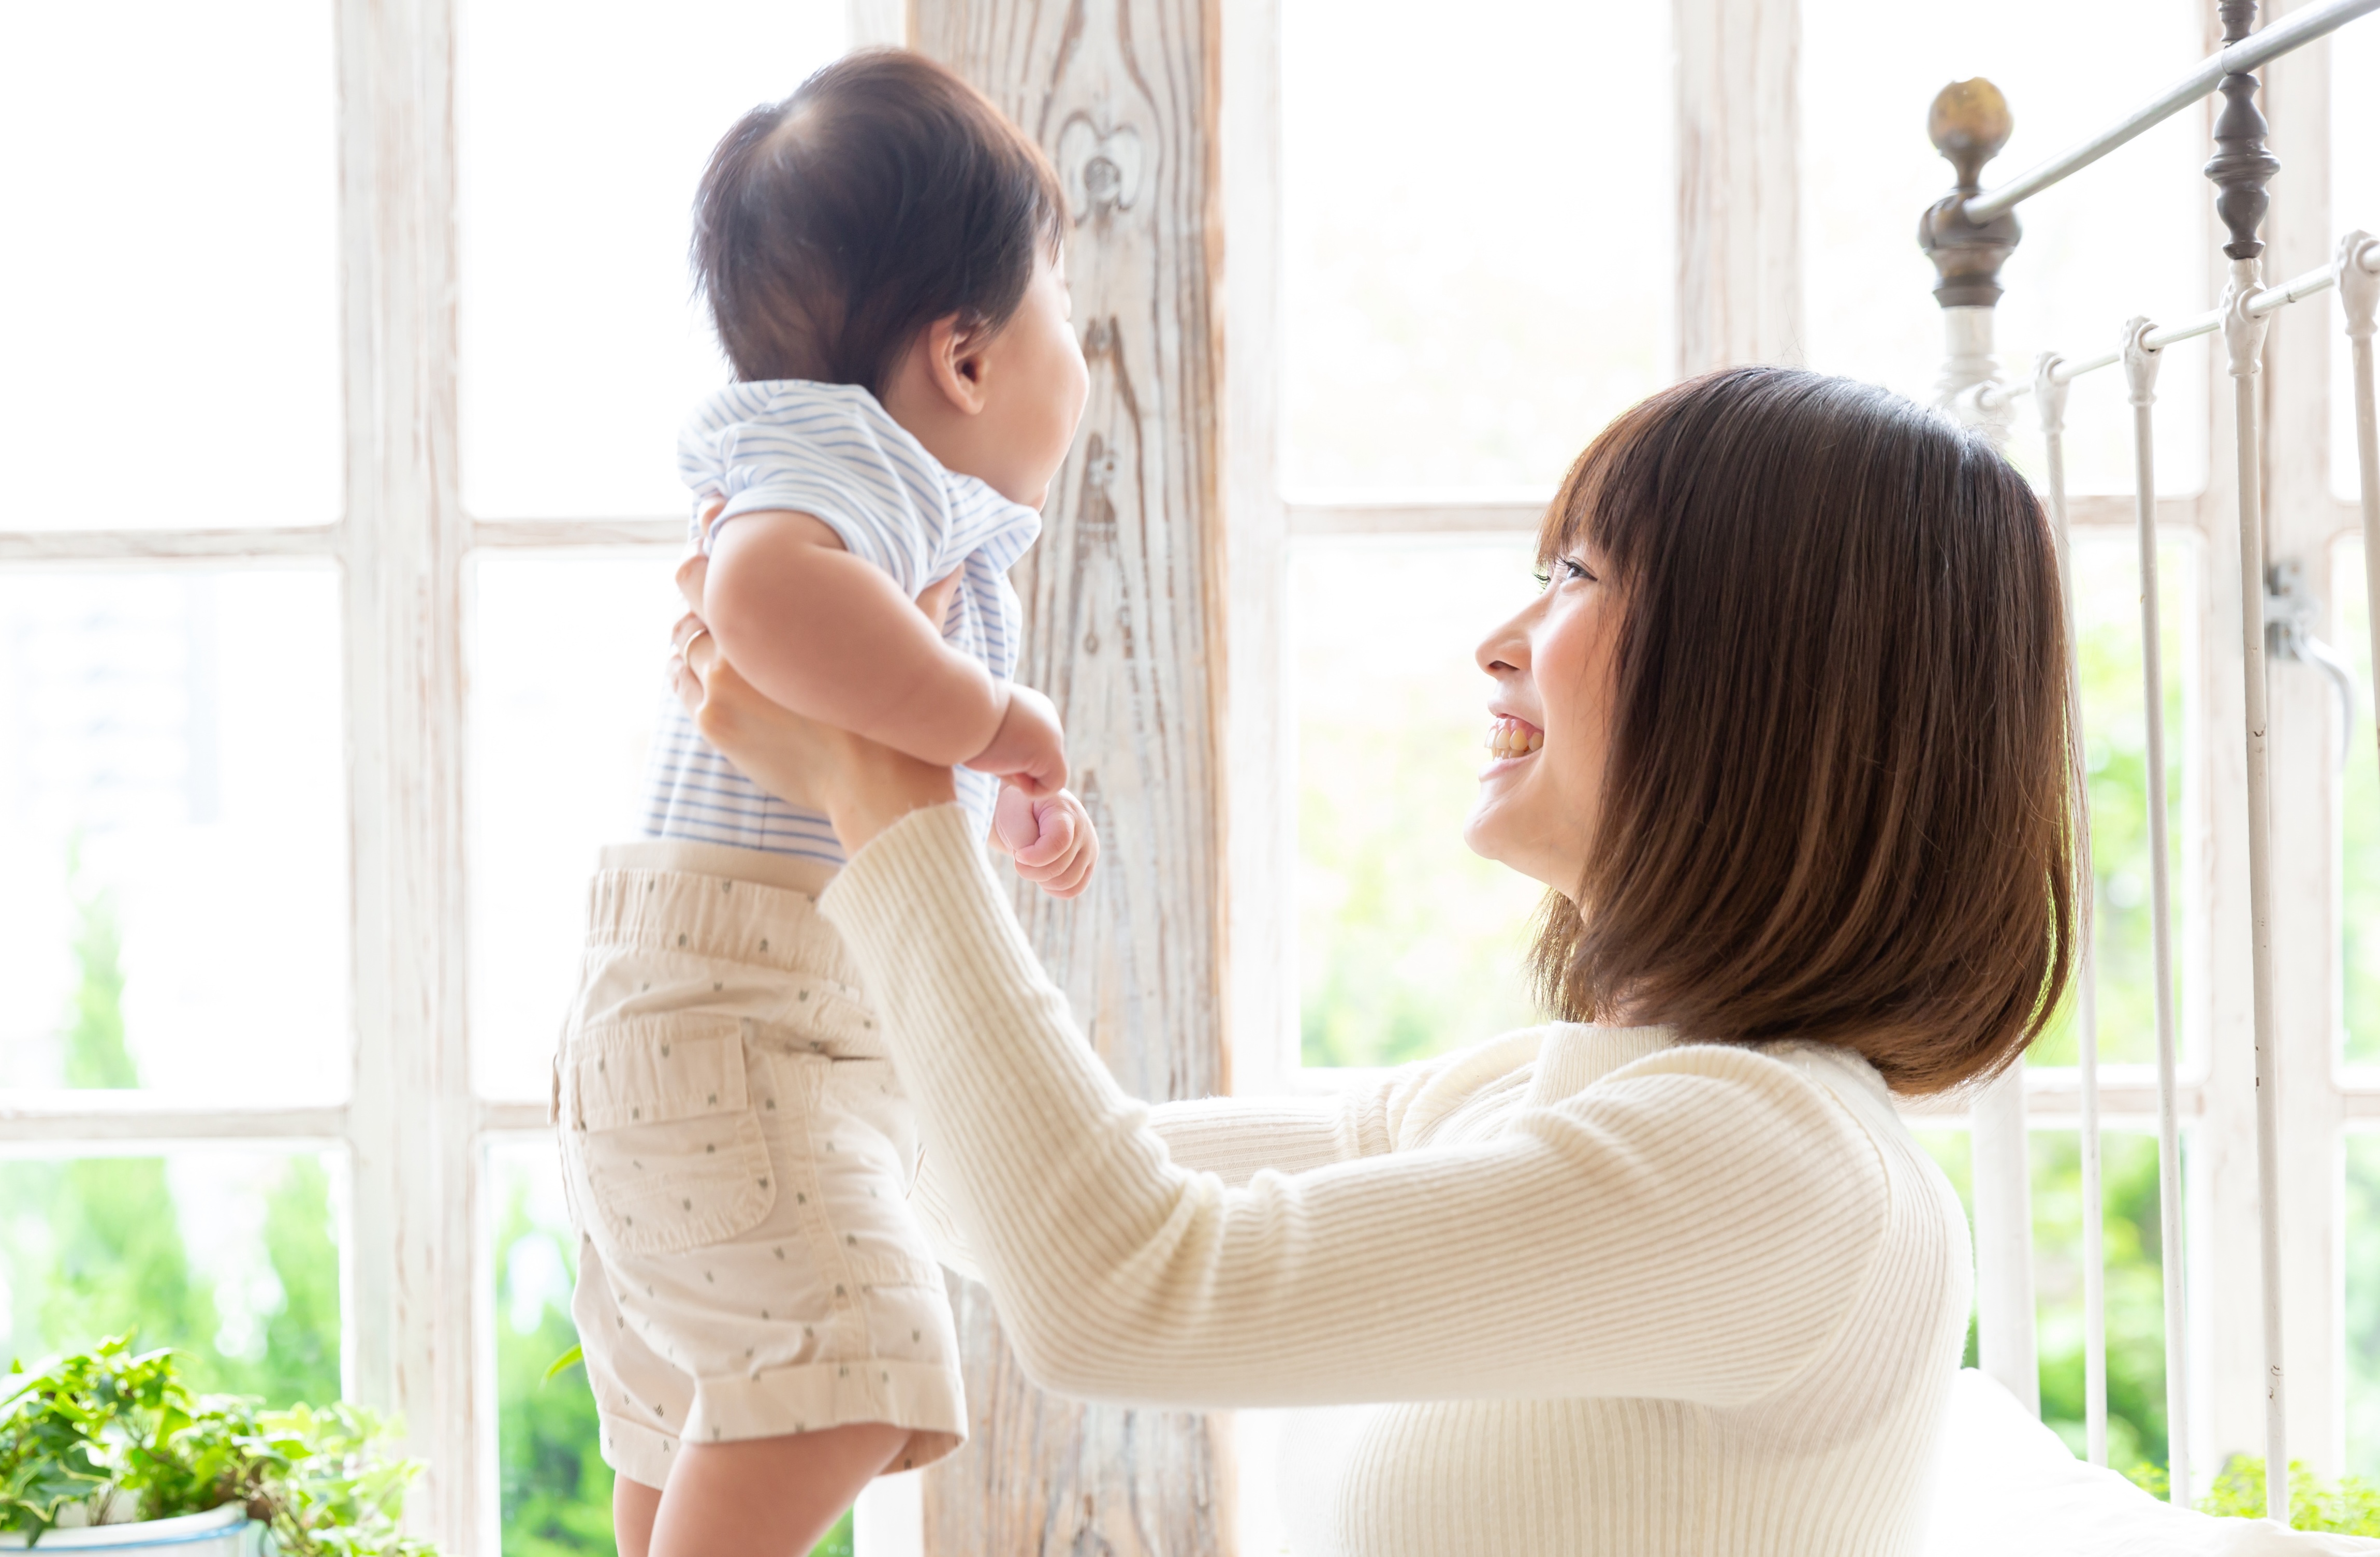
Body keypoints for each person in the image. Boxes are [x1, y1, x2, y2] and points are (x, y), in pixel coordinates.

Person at [668, 365, 2082, 1555]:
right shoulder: (1536, 1096)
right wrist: (831, 807)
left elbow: (1122, 1290)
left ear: (1757, 680)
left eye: (1577, 576)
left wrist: (890, 796)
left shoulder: (1784, 1176)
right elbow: (995, 1203)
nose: (1498, 643)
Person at [554, 50, 1096, 1557]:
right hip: (736, 1023)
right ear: (965, 358)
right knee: (842, 1379)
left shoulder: (900, 495)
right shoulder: (836, 455)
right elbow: (761, 592)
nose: (1082, 358)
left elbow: (862, 731)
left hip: (732, 1029)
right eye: (1067, 312)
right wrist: (995, 720)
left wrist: (1003, 796)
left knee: (718, 1414)